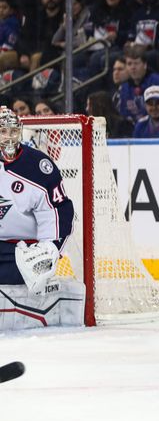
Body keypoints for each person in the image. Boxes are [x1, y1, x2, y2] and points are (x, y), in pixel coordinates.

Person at [0, 107, 80, 330]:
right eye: (3, 131)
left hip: (24, 251)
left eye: (13, 131)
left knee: (26, 270)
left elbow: (58, 211)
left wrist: (50, 249)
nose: (8, 137)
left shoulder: (38, 166)